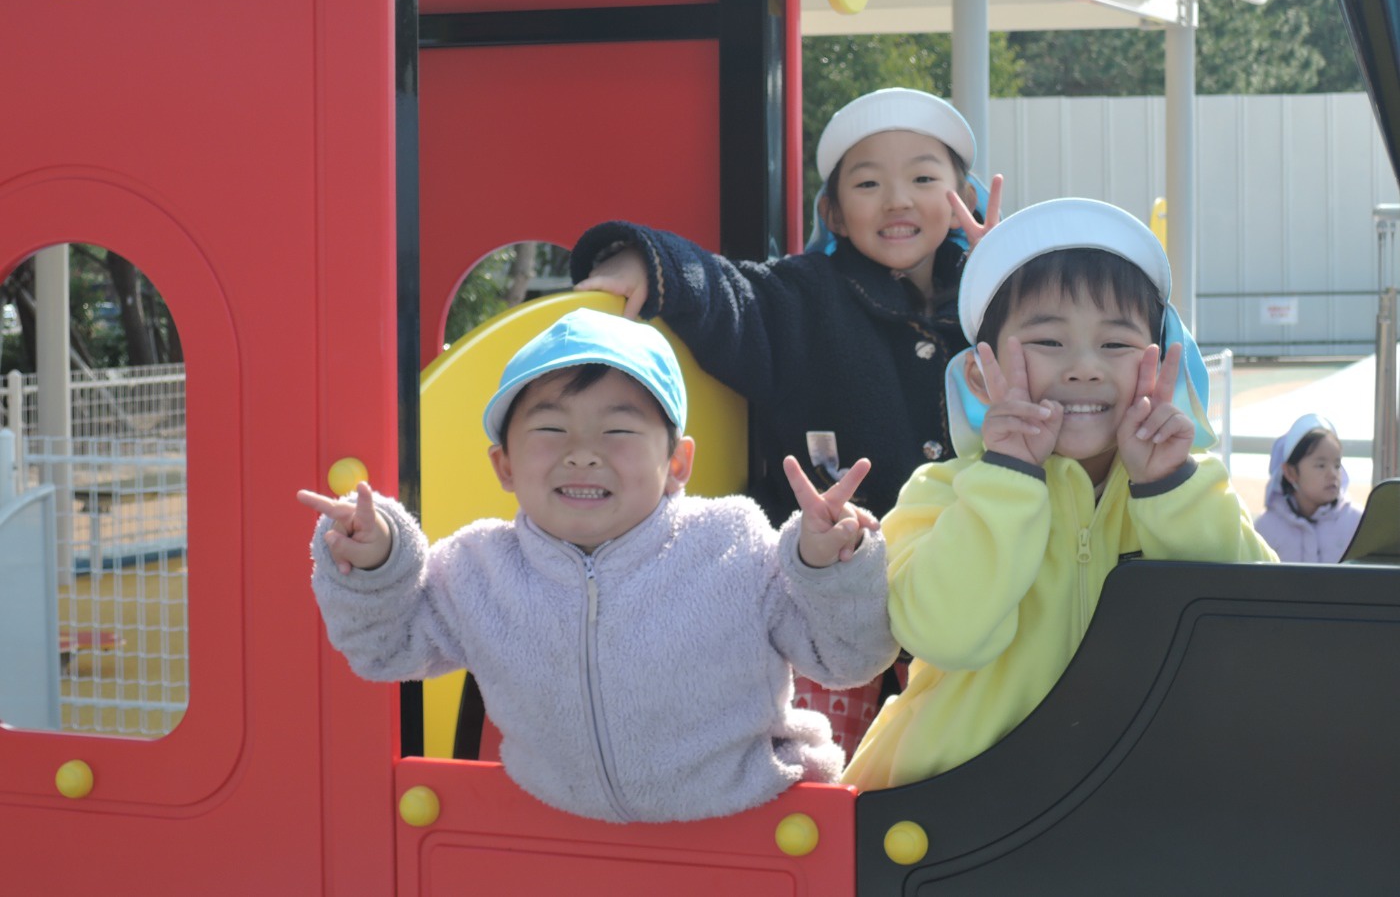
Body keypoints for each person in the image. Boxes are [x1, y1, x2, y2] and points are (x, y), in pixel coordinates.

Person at [298, 307, 898, 824]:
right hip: (565, 836)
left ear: (677, 463)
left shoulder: (729, 545)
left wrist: (828, 566)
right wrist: (376, 565)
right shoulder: (479, 570)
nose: (582, 453)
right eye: (550, 428)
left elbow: (848, 659)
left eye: (617, 430)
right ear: (505, 466)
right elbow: (386, 650)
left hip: (755, 826)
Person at [571, 88, 1001, 755]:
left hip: (961, 591)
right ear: (833, 212)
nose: (897, 200)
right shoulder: (802, 298)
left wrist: (1009, 272)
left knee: (947, 762)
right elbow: (728, 293)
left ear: (962, 198)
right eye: (868, 183)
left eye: (923, 179)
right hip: (828, 597)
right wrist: (652, 266)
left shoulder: (998, 302)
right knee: (820, 772)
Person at [841, 198, 1277, 792]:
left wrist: (1168, 489)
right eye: (1048, 342)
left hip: (1130, 811)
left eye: (1117, 344)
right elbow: (945, 636)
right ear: (979, 377)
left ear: (1158, 364)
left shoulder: (1190, 487)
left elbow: (1254, 626)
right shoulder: (941, 494)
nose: (1084, 368)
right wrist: (1007, 479)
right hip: (948, 810)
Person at [1254, 413, 1363, 563]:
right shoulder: (1265, 528)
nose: (1333, 474)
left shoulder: (1358, 522)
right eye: (1321, 465)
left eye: (1337, 465)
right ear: (1290, 472)